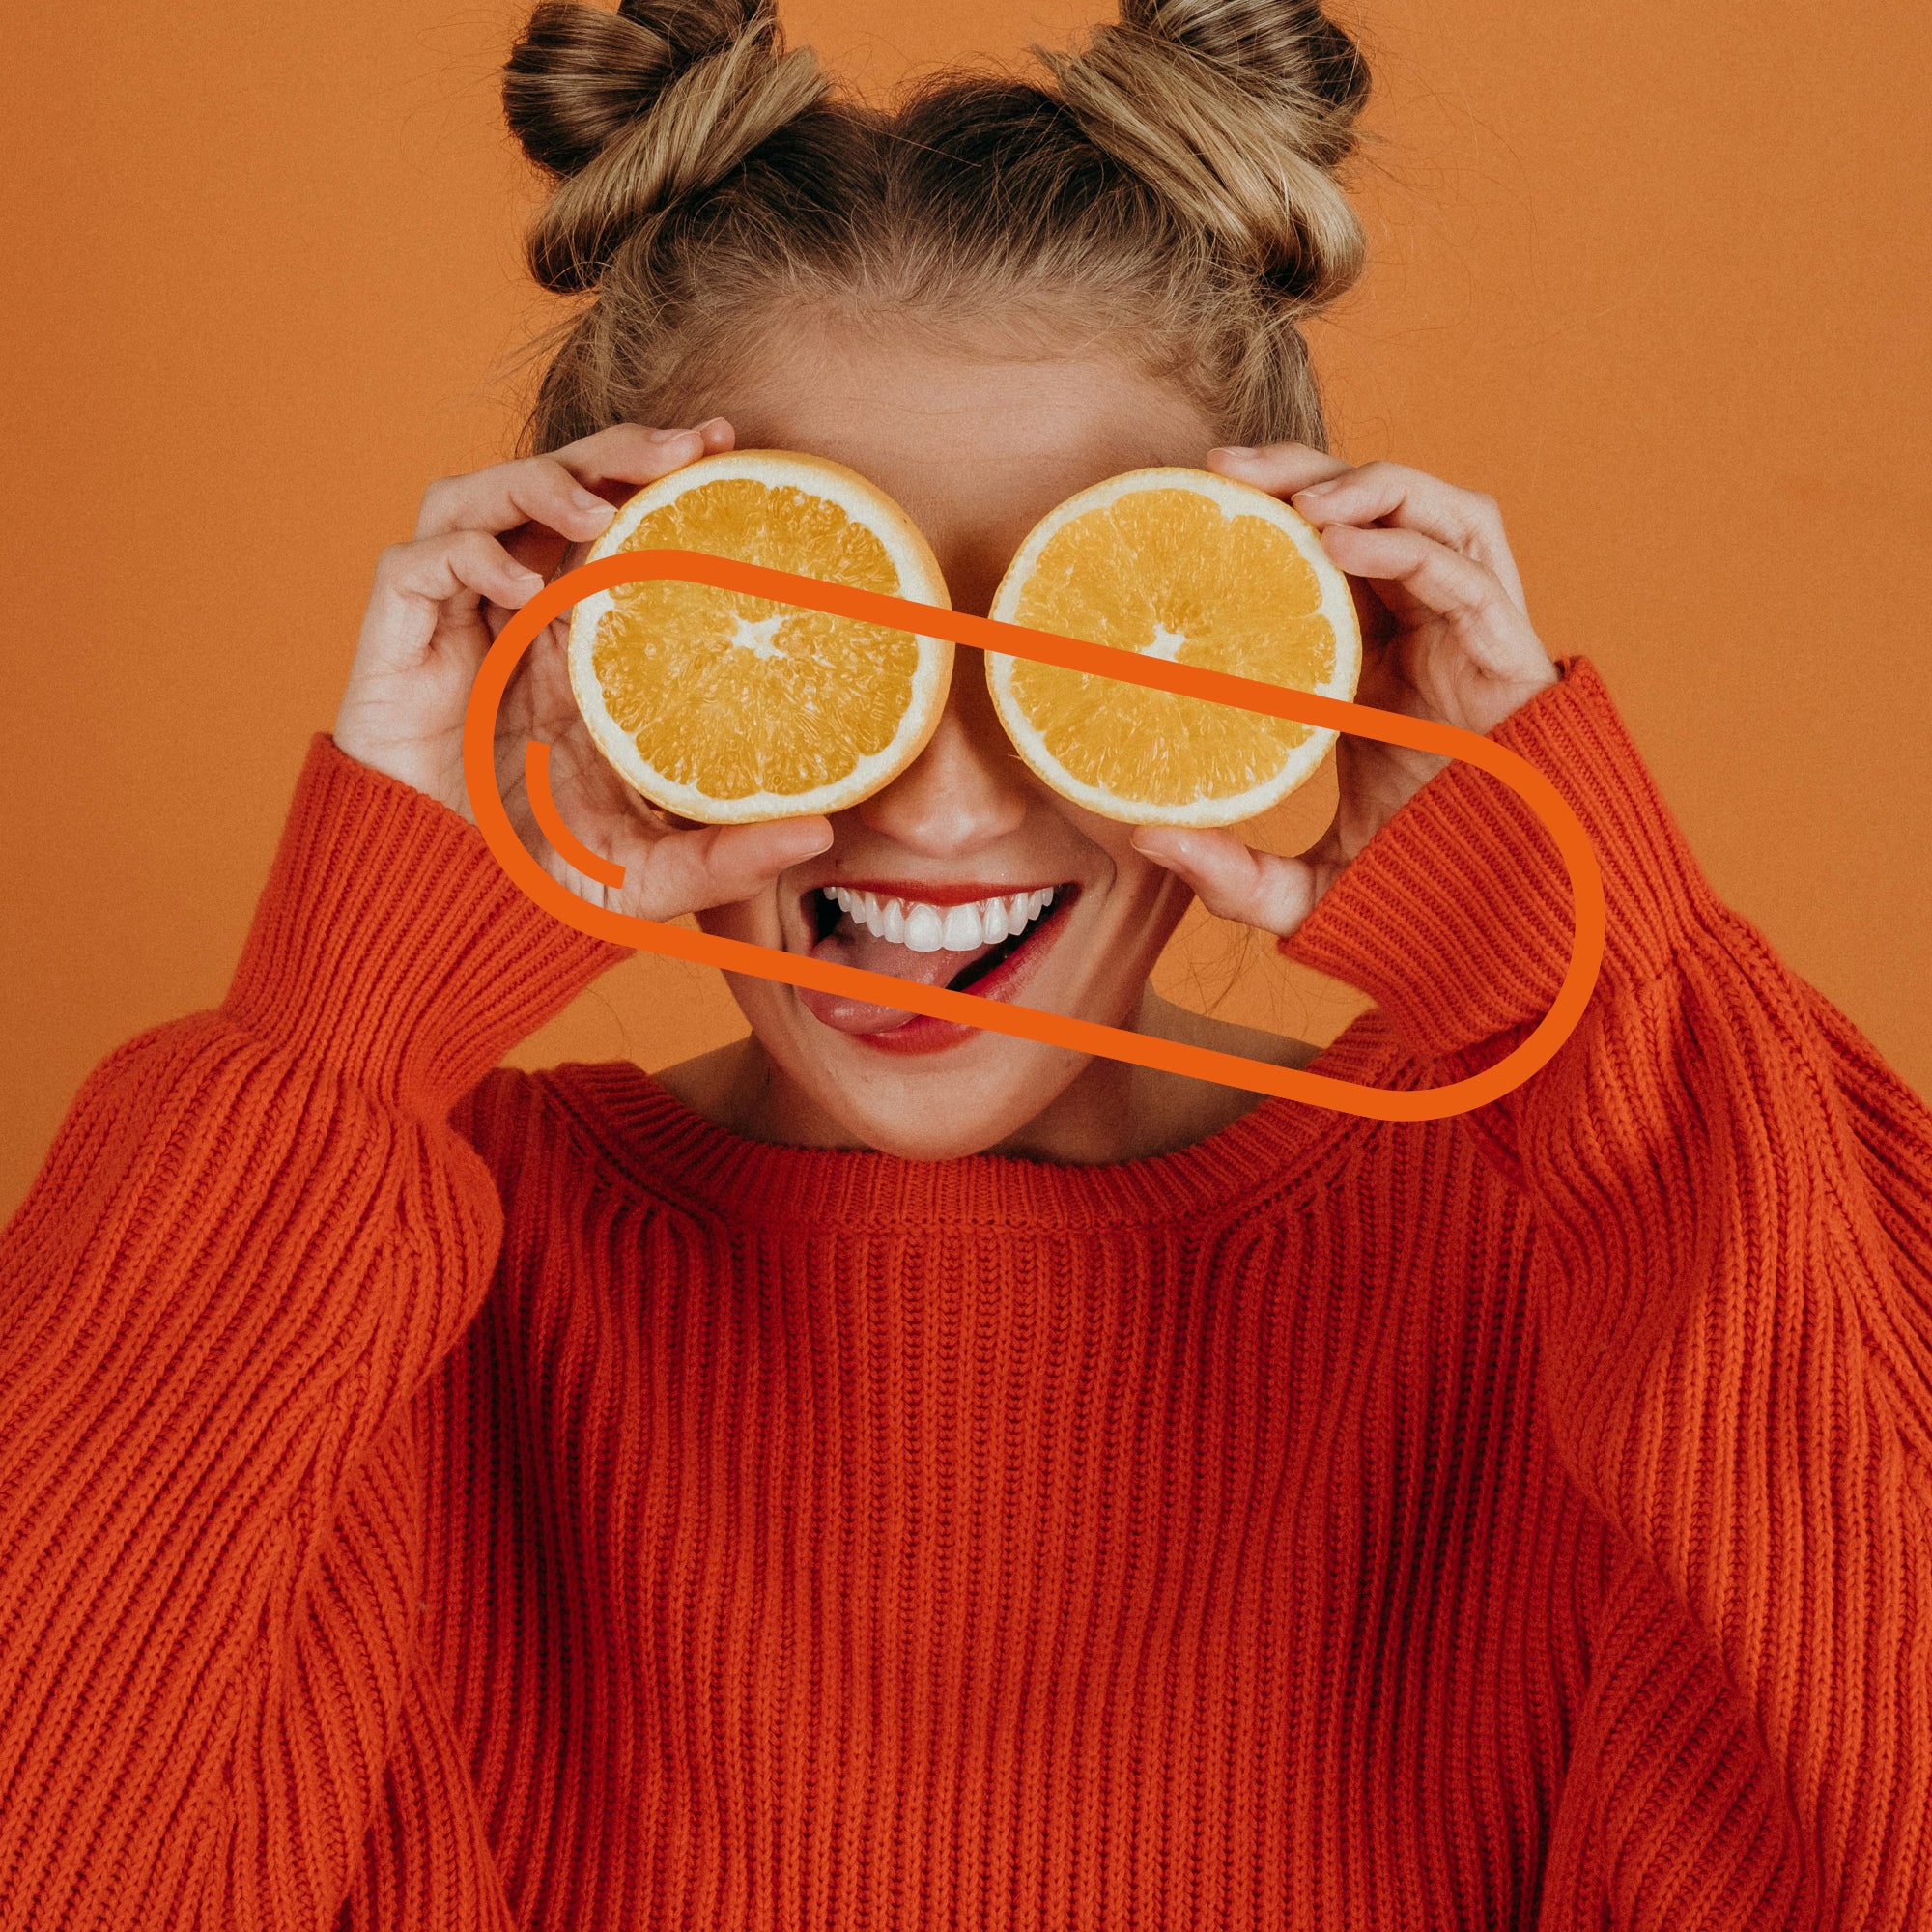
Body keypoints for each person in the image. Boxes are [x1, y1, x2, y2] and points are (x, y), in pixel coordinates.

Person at [3, 0, 1928, 1924]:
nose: (936, 807)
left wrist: (1595, 990)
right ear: (593, 644)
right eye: (803, 627)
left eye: (1092, 645)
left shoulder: (1580, 1267)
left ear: (1295, 659)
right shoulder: (353, 1296)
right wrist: (339, 1027)